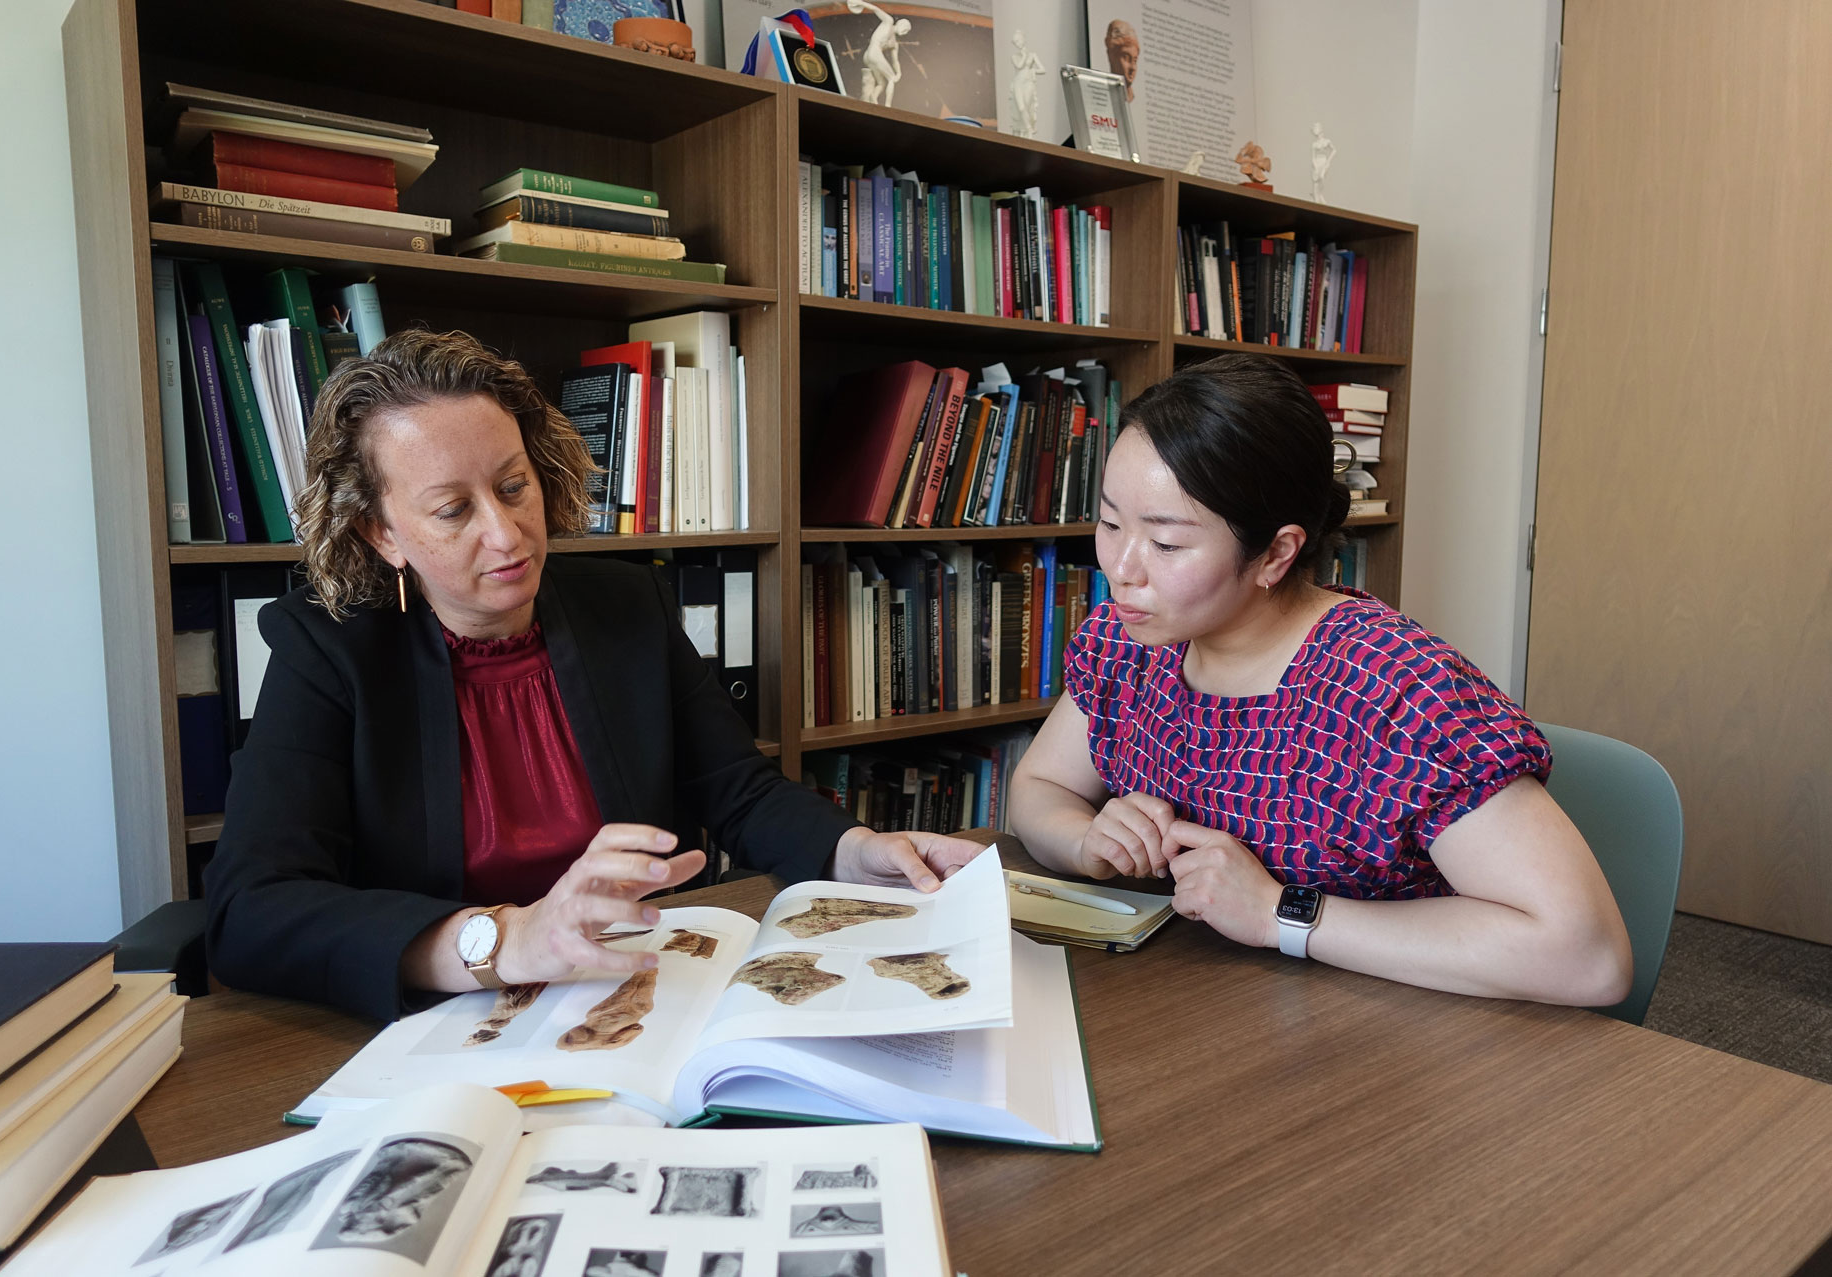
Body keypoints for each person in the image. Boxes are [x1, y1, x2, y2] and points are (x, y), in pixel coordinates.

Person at [204, 330, 980, 1023]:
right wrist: (503, 938)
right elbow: (251, 912)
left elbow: (737, 790)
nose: (506, 533)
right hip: (445, 1027)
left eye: (512, 487)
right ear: (384, 533)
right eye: (451, 510)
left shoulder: (623, 602)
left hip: (634, 996)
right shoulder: (327, 650)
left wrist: (855, 849)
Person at [1007, 355, 1633, 1006]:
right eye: (1110, 523)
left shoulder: (1391, 689)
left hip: (1404, 1036)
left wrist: (1282, 912)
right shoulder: (1129, 640)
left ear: (1275, 553)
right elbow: (1038, 785)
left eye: (1165, 544)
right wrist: (1085, 840)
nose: (1121, 568)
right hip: (1228, 1013)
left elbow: (1586, 955)